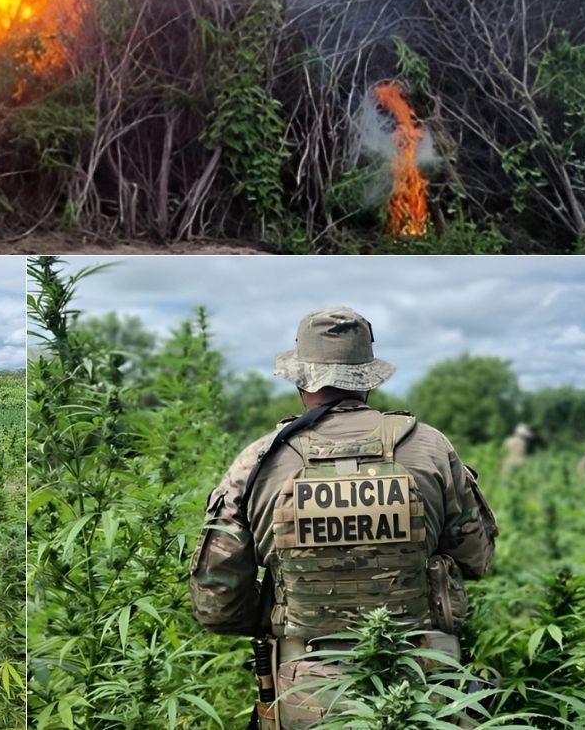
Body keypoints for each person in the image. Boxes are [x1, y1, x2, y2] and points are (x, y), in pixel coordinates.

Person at [189, 307, 498, 728]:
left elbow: (216, 604)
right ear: (368, 378)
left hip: (308, 695)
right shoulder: (431, 448)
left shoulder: (259, 461)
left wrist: (287, 606)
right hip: (424, 687)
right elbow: (476, 558)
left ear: (301, 378)